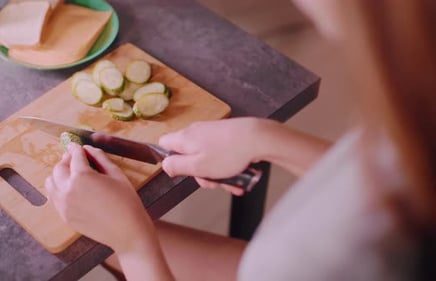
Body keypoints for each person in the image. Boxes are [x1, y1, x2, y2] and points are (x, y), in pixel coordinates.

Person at [45, 0, 436, 280]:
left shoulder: (335, 256)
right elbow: (391, 180)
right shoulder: (417, 116)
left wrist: (134, 247)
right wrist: (265, 138)